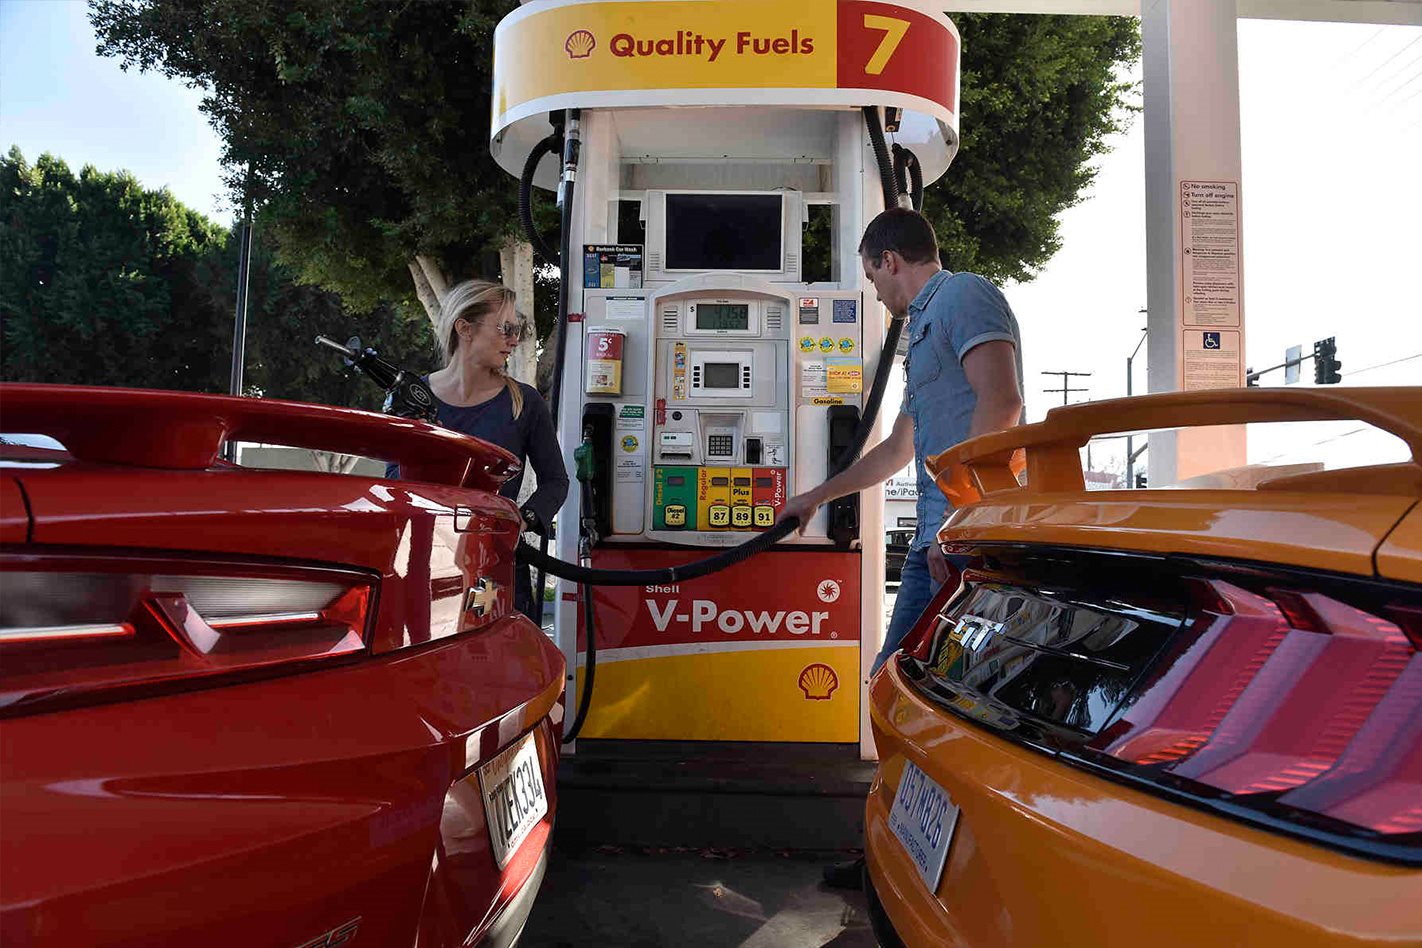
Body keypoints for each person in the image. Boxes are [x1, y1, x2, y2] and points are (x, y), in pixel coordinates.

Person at [778, 208, 1024, 889]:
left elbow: (1000, 404)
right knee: (899, 692)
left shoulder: (966, 294)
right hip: (937, 540)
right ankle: (902, 850)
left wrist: (964, 521)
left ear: (890, 260)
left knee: (947, 703)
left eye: (871, 276)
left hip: (968, 539)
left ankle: (942, 862)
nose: (876, 293)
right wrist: (818, 497)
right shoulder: (919, 332)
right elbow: (895, 450)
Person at [387, 279, 569, 621]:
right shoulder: (411, 397)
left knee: (495, 662)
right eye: (505, 328)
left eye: (518, 329)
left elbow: (556, 482)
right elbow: (394, 481)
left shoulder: (525, 402)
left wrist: (522, 521)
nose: (514, 339)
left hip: (495, 568)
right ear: (464, 328)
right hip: (422, 565)